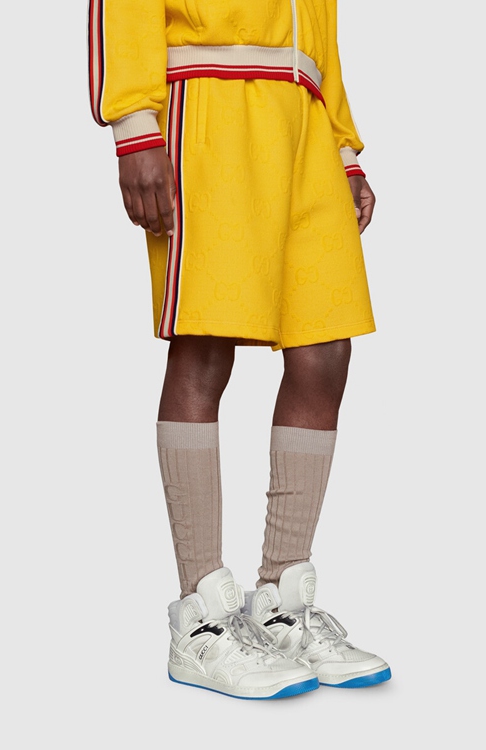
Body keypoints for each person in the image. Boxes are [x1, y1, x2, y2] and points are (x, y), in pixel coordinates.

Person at [88, 0, 391, 699]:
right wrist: (134, 127)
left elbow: (318, 21)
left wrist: (343, 149)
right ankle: (200, 622)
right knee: (205, 343)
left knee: (325, 347)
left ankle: (281, 602)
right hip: (209, 104)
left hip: (304, 117)